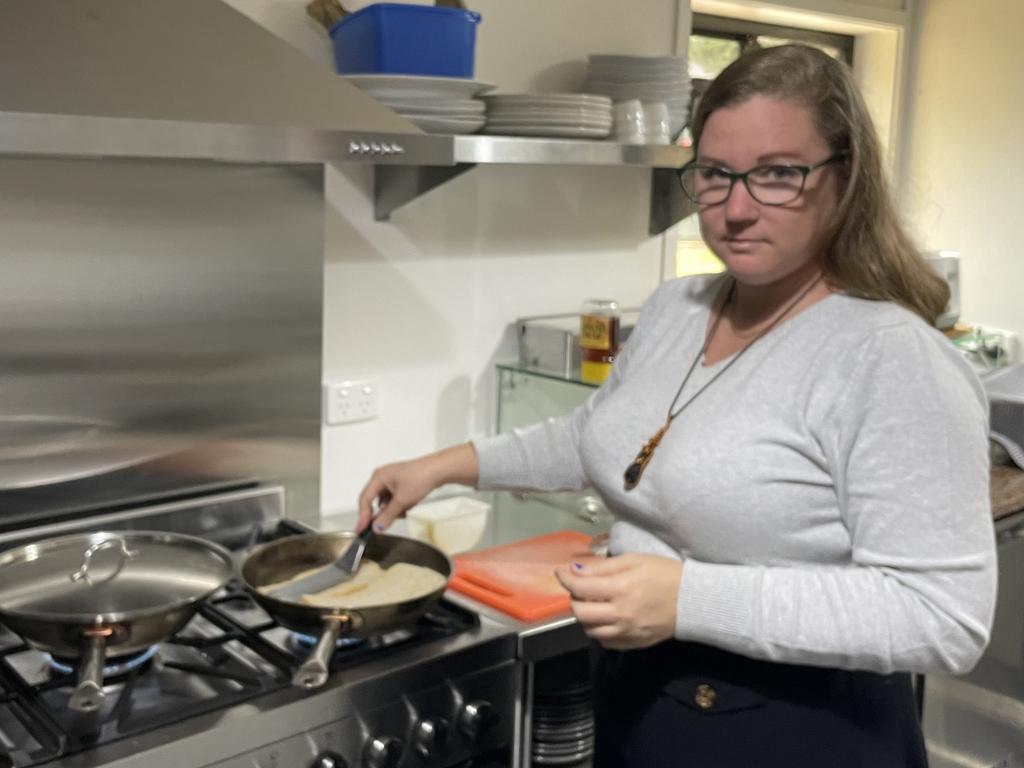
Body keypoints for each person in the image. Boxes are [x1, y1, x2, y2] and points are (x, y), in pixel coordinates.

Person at [357, 44, 996, 767]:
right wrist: (446, 465)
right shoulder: (679, 307)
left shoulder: (888, 357)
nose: (737, 207)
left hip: (798, 731)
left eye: (779, 174)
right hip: (645, 704)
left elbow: (943, 618)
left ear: (844, 180)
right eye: (717, 175)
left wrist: (687, 600)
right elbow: (607, 437)